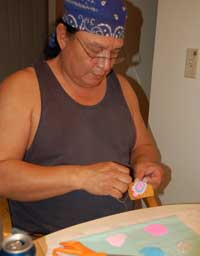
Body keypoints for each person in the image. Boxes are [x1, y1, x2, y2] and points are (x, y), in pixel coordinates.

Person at [0, 0, 167, 236]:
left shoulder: (124, 88)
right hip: (47, 242)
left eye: (115, 53)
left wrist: (145, 163)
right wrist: (81, 177)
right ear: (63, 37)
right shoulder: (22, 89)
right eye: (94, 50)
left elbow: (143, 145)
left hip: (120, 233)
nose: (105, 65)